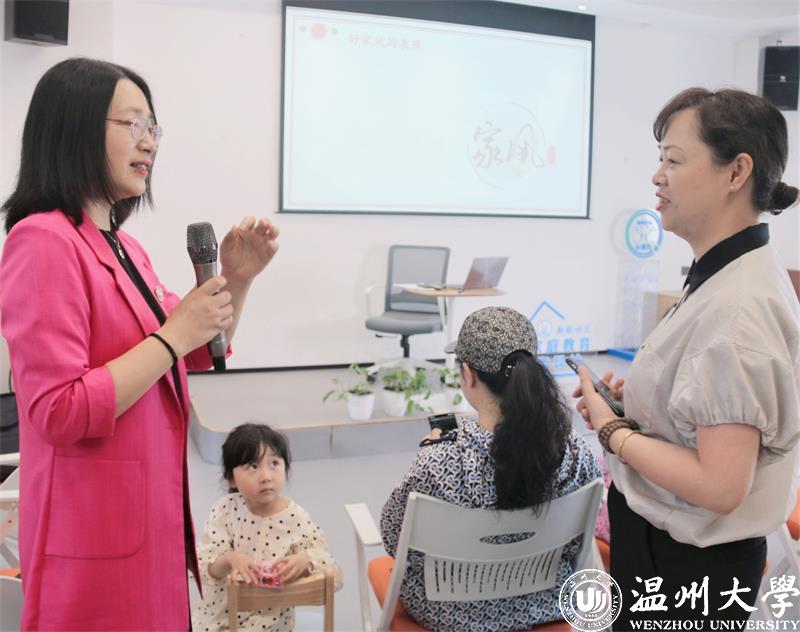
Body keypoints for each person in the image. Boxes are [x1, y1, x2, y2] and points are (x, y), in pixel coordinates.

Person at [0, 58, 280, 630]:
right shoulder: (42, 240)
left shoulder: (125, 248)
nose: (149, 142)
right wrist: (173, 335)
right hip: (92, 537)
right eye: (132, 124)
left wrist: (237, 279)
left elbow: (193, 349)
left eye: (153, 127)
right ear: (75, 128)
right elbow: (58, 408)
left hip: (150, 522)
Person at [574, 87, 800, 630]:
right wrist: (638, 409)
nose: (658, 177)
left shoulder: (738, 309)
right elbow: (708, 409)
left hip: (685, 566)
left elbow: (721, 486)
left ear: (736, 172)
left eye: (674, 160)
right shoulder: (726, 274)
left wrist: (613, 430)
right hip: (670, 550)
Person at [381, 306, 601, 631]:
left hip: (450, 614)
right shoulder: (574, 452)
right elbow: (577, 544)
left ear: (468, 374)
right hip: (545, 603)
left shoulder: (438, 462)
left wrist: (431, 450)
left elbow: (394, 540)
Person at [191, 423, 342, 631]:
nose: (266, 477)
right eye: (253, 466)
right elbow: (206, 569)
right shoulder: (226, 510)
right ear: (231, 478)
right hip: (219, 617)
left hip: (270, 624)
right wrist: (229, 559)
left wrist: (305, 561)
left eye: (274, 463)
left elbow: (332, 574)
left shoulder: (296, 518)